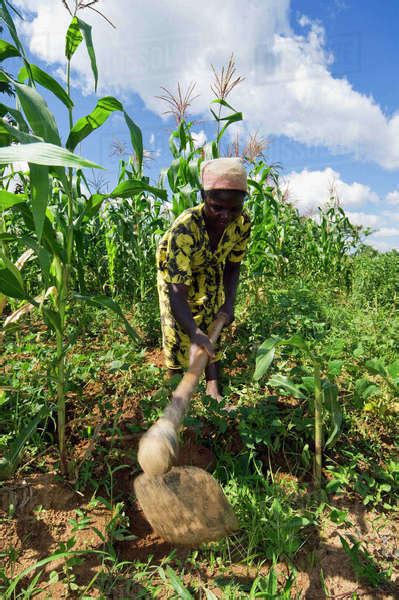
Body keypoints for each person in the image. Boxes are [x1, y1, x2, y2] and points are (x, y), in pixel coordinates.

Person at [156, 157, 251, 401]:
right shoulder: (186, 228)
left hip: (210, 264)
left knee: (210, 317)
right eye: (217, 206)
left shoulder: (242, 224)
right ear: (203, 197)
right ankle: (174, 380)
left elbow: (233, 266)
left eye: (234, 208)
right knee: (177, 327)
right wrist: (193, 333)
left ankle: (212, 387)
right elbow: (177, 293)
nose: (225, 215)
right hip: (177, 269)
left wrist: (229, 302)